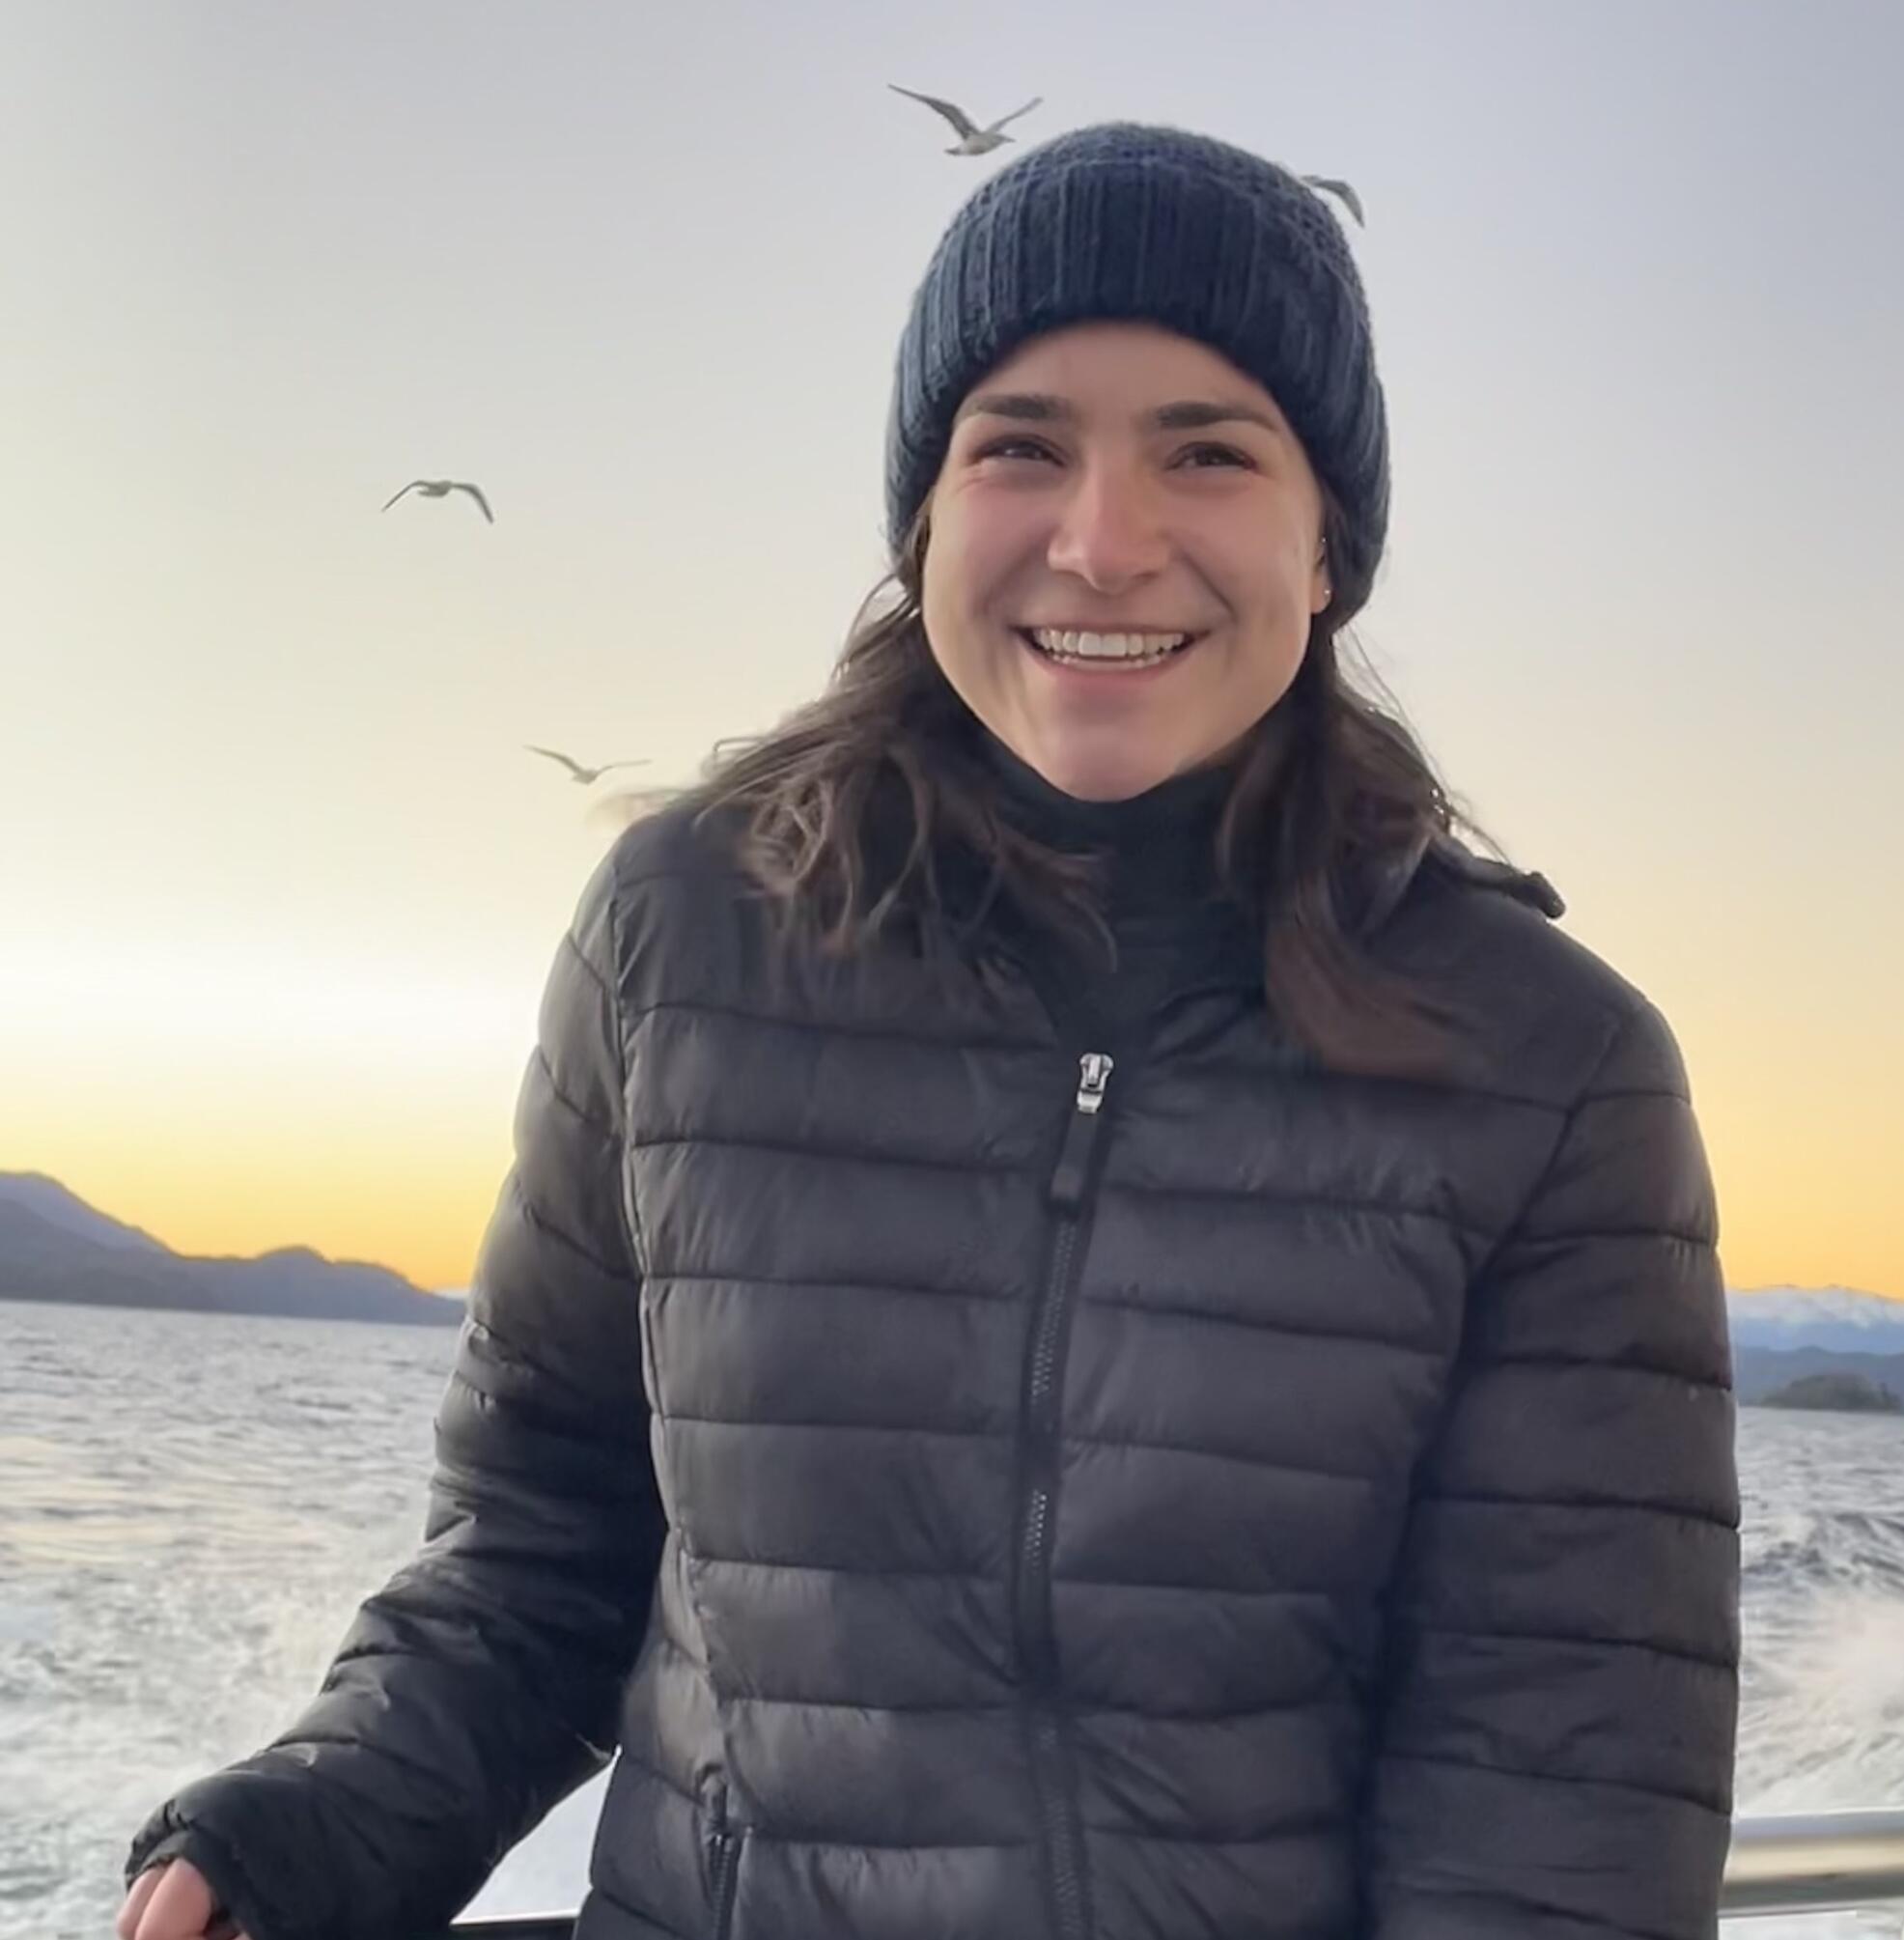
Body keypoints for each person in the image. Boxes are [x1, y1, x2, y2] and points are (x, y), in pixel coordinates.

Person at [120, 122, 1740, 1940]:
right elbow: (542, 1552)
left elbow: (1560, 1799)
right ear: (924, 519)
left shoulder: (1547, 1065)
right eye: (1020, 447)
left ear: (1330, 546)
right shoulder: (684, 935)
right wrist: (311, 1830)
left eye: (1207, 452)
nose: (1103, 541)